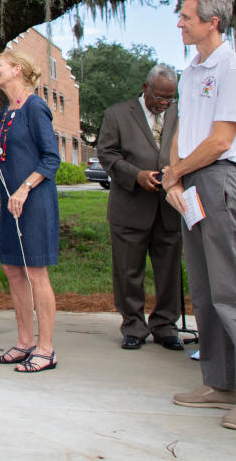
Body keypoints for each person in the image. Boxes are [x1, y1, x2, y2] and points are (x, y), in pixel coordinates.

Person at [161, 0, 236, 430]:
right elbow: (181, 133)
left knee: (232, 290)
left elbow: (222, 139)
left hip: (218, 179)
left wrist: (179, 172)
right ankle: (220, 381)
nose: (180, 24)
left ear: (212, 21)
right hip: (190, 180)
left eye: (186, 17)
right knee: (206, 290)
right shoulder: (190, 71)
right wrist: (173, 176)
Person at [0, 49, 61, 373]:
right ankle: (25, 341)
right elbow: (18, 153)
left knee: (36, 272)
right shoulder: (8, 111)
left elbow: (51, 158)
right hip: (10, 202)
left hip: (33, 202)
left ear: (16, 70)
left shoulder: (35, 107)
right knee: (13, 269)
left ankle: (46, 348)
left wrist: (25, 189)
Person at [96, 64, 184, 351]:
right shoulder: (118, 114)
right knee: (128, 270)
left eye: (169, 98)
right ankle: (133, 324)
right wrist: (136, 175)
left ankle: (165, 325)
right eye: (159, 96)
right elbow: (106, 153)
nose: (163, 103)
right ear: (145, 87)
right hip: (130, 205)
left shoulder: (178, 114)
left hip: (169, 208)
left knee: (169, 271)